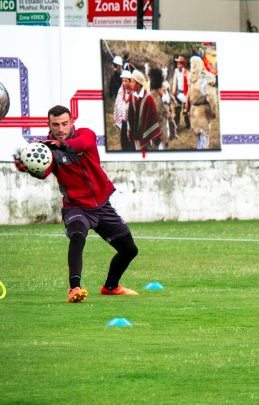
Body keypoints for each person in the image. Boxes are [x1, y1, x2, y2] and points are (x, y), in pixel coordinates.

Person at [12, 105, 140, 303]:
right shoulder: (47, 150)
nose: (61, 129)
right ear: (49, 125)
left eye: (64, 123)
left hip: (102, 206)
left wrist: (59, 145)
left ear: (72, 122)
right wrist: (29, 167)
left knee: (130, 250)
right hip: (76, 207)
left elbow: (79, 145)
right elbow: (44, 171)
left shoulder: (85, 134)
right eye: (56, 125)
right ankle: (74, 288)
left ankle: (111, 287)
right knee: (78, 236)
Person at [128, 69, 161, 151]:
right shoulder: (132, 96)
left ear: (138, 84)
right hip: (135, 134)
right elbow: (130, 115)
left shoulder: (148, 99)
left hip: (146, 136)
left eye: (132, 82)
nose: (130, 84)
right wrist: (129, 129)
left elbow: (152, 119)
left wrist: (146, 137)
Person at [113, 69, 135, 151]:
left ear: (130, 81)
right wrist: (117, 115)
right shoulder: (121, 90)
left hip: (132, 123)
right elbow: (118, 103)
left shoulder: (133, 92)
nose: (124, 83)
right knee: (124, 142)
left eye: (126, 81)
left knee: (131, 144)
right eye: (123, 81)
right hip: (123, 122)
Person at [171, 56, 190, 130]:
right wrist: (173, 92)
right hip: (178, 93)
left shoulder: (187, 73)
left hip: (185, 93)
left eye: (179, 64)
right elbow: (174, 82)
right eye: (177, 64)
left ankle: (188, 125)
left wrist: (187, 99)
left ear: (183, 64)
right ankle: (176, 126)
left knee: (186, 111)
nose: (177, 65)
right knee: (177, 110)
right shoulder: (176, 71)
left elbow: (189, 87)